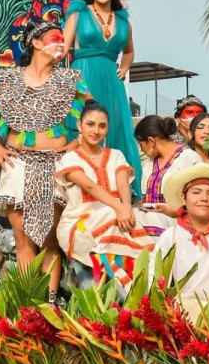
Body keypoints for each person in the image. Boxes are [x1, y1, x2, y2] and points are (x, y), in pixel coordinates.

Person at [0, 18, 89, 298]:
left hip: (54, 165)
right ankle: (28, 299)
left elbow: (94, 113)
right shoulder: (7, 79)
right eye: (54, 38)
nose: (61, 42)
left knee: (50, 240)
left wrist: (77, 142)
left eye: (63, 38)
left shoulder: (69, 80)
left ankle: (49, 303)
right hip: (18, 163)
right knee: (23, 237)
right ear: (35, 43)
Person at [55, 101, 156, 288]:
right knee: (111, 216)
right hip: (81, 221)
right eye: (90, 124)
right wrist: (119, 208)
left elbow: (123, 183)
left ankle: (142, 290)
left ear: (107, 128)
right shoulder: (70, 159)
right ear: (79, 126)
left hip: (117, 221)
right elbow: (91, 187)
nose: (96, 131)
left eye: (102, 126)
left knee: (146, 220)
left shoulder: (116, 155)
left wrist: (126, 209)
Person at [62, 0, 143, 194]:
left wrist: (124, 68)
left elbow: (129, 51)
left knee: (116, 129)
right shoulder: (79, 12)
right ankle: (86, 188)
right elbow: (63, 50)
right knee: (85, 127)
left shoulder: (123, 20)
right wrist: (72, 81)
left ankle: (122, 191)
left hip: (112, 79)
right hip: (83, 74)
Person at [152, 166, 209, 322]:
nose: (204, 198)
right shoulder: (170, 236)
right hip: (187, 320)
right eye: (196, 192)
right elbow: (155, 280)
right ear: (183, 198)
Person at [135, 115, 202, 235]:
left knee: (152, 219)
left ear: (151, 141)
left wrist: (172, 211)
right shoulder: (149, 164)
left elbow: (200, 199)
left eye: (141, 144)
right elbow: (146, 199)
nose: (141, 149)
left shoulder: (188, 158)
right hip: (149, 220)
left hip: (179, 223)